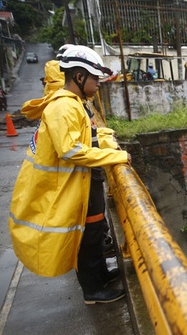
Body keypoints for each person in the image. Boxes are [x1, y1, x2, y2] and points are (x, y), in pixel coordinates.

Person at [8, 45, 130, 305]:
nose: (99, 84)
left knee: (95, 231)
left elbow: (90, 138)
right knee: (86, 237)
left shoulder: (76, 104)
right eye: (95, 78)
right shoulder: (63, 107)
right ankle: (93, 290)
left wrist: (107, 143)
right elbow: (71, 151)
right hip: (72, 186)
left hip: (82, 183)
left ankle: (100, 275)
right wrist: (117, 156)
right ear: (78, 77)